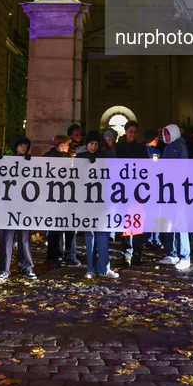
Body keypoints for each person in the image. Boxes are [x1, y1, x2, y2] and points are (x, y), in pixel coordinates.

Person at [77, 130, 119, 279]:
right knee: (90, 236)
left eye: (96, 144)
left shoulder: (105, 157)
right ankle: (90, 268)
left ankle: (104, 268)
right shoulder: (80, 157)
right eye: (91, 143)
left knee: (103, 234)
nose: (93, 147)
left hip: (102, 200)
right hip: (86, 201)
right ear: (87, 144)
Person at [0, 135, 37, 282]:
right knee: (7, 237)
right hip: (10, 204)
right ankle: (4, 269)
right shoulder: (8, 161)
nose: (24, 147)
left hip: (25, 204)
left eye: (25, 145)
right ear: (15, 147)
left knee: (24, 237)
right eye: (21, 145)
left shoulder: (31, 161)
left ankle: (26, 267)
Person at [44, 134, 81, 267]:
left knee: (68, 225)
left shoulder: (68, 157)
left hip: (65, 195)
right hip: (56, 196)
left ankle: (63, 255)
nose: (68, 147)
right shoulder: (50, 157)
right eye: (67, 145)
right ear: (61, 145)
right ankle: (59, 255)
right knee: (57, 227)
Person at [159, 123, 191, 271]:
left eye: (168, 133)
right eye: (164, 134)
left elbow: (183, 168)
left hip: (177, 190)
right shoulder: (167, 147)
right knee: (169, 222)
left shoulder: (180, 146)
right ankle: (171, 253)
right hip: (167, 190)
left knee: (181, 223)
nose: (166, 137)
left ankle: (185, 256)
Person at [115, 120, 147, 265]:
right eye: (130, 132)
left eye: (135, 132)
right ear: (126, 132)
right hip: (123, 189)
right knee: (125, 222)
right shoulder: (119, 147)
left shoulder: (141, 148)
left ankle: (137, 253)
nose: (133, 135)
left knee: (138, 220)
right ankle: (126, 252)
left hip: (138, 189)